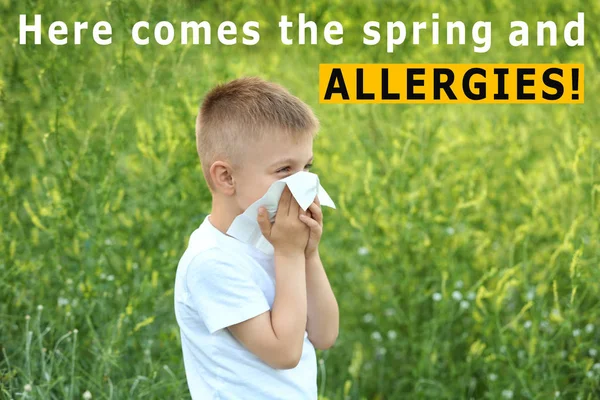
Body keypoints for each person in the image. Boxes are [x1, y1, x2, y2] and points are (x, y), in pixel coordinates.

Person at [174, 77, 339, 399]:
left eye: (307, 167)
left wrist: (308, 254)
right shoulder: (212, 262)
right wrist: (289, 254)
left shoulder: (273, 242)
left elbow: (324, 335)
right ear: (227, 177)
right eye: (284, 171)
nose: (302, 184)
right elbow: (284, 353)